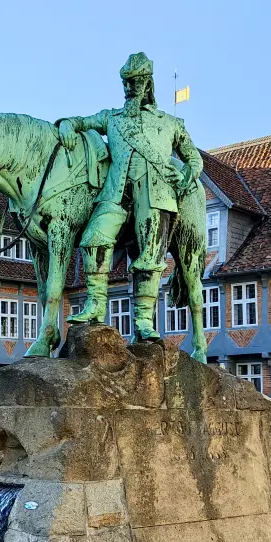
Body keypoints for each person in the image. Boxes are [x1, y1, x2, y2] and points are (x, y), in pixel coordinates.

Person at [57, 52, 203, 341]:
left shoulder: (170, 123)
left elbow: (194, 159)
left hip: (156, 195)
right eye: (125, 83)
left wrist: (186, 175)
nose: (128, 89)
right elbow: (78, 122)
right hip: (117, 193)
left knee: (150, 256)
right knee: (93, 238)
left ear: (147, 83)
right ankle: (95, 306)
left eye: (134, 82)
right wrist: (65, 124)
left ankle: (144, 322)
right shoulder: (112, 118)